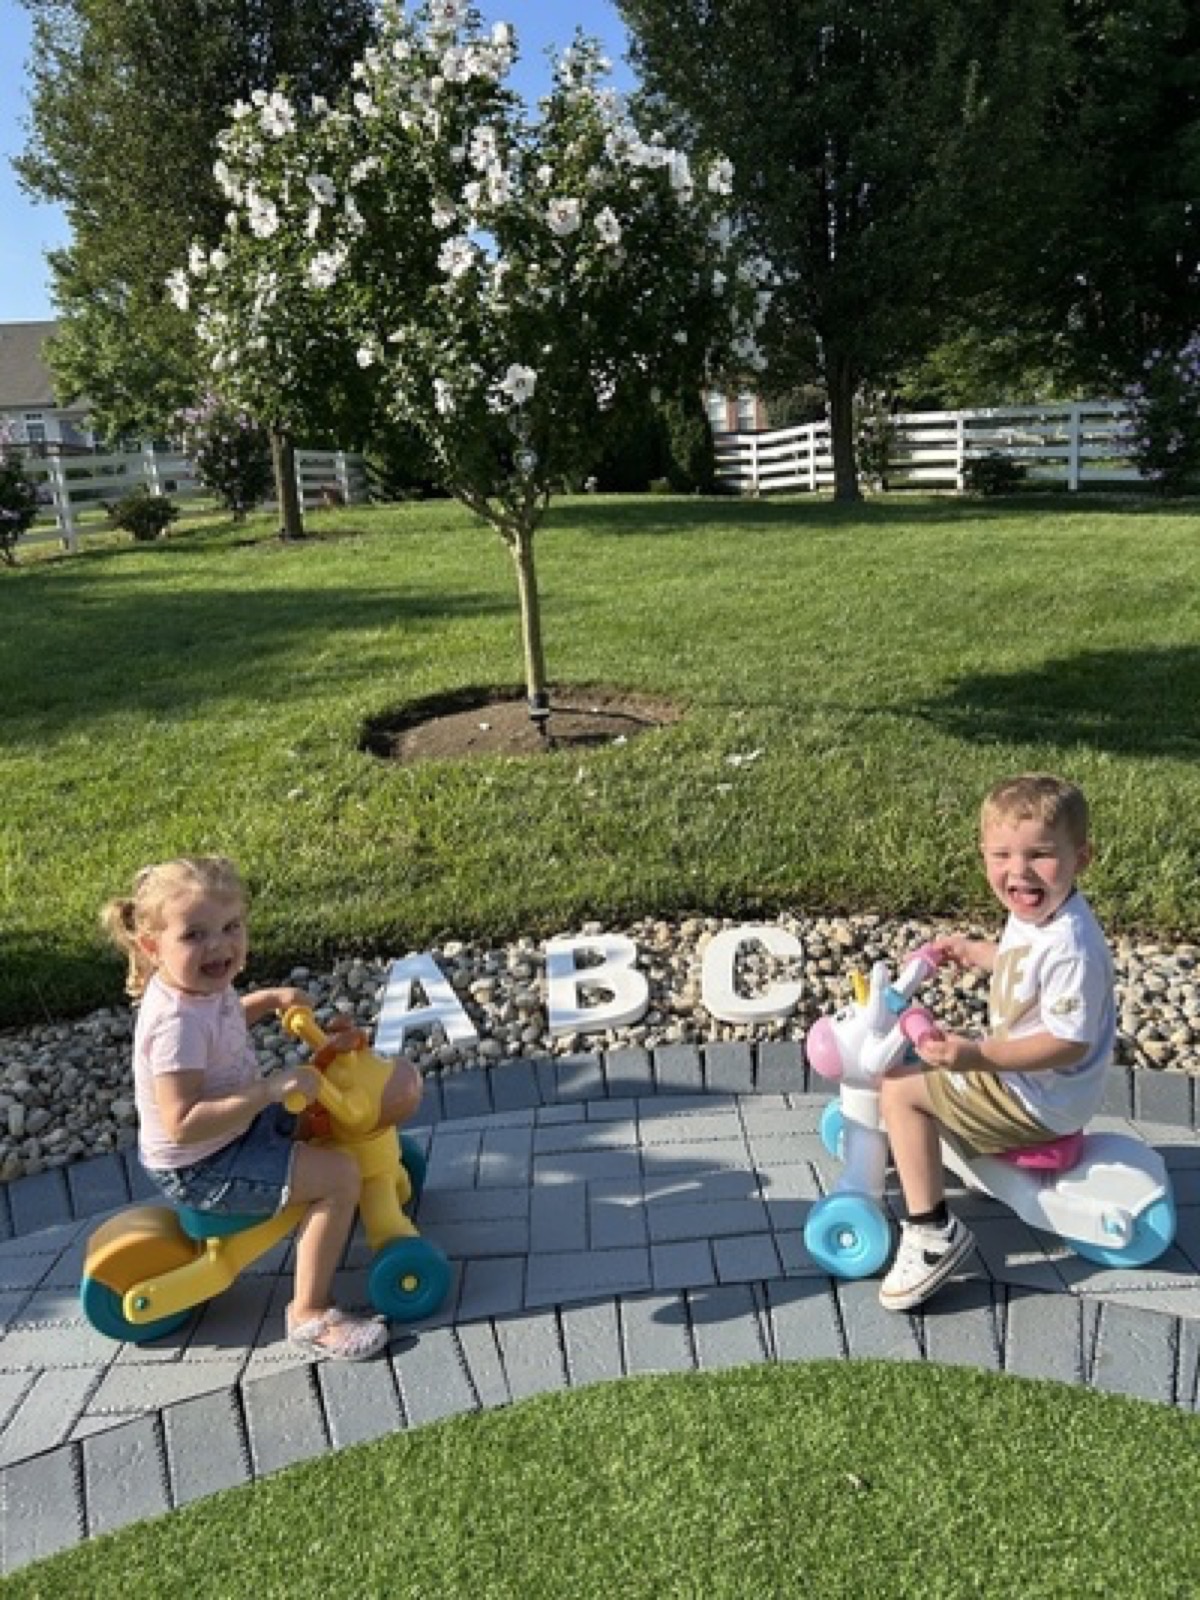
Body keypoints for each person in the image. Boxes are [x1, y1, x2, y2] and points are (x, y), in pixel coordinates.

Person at [101, 855, 422, 1361]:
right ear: (151, 946)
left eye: (231, 927)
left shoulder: (198, 989)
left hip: (230, 1136)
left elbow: (224, 1021)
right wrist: (268, 1091)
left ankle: (329, 1214)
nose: (219, 945)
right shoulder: (176, 1026)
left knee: (319, 1119)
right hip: (205, 1166)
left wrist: (268, 1000)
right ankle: (309, 1314)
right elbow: (182, 1124)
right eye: (195, 935)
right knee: (338, 1176)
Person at [878, 774, 1115, 1312]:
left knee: (898, 1088)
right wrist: (975, 951)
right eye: (1001, 854)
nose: (1019, 871)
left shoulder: (1071, 946)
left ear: (1082, 857)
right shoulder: (1039, 915)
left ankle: (931, 1233)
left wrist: (976, 1056)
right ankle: (931, 1151)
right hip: (1031, 1085)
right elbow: (1019, 959)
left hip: (1039, 1101)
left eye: (1040, 854)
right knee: (924, 1063)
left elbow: (1067, 1044)